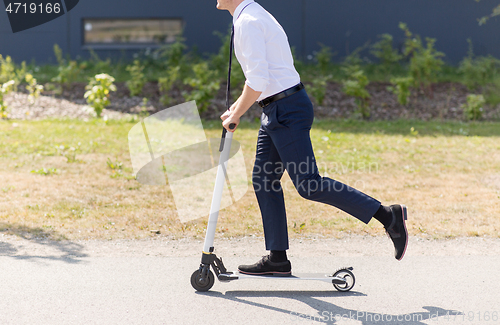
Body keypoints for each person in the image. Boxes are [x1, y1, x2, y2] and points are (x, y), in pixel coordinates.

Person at [216, 0, 408, 276]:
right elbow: (264, 77)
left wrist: (237, 114)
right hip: (276, 108)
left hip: (286, 110)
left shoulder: (249, 22)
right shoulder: (251, 16)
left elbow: (257, 79)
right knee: (264, 179)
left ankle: (388, 216)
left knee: (309, 184)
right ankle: (278, 258)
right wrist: (235, 109)